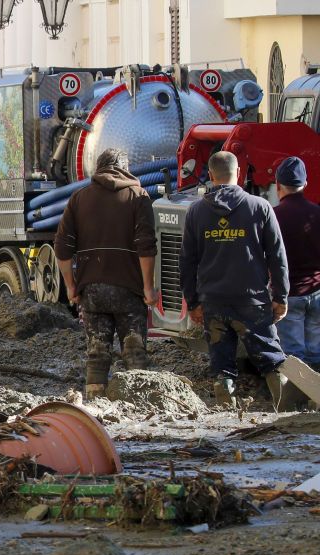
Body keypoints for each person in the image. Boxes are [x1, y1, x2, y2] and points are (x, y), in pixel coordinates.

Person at [181, 151, 290, 407]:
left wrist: (193, 301)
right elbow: (277, 255)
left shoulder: (196, 212)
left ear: (210, 175)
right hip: (251, 301)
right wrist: (280, 296)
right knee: (272, 360)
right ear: (238, 172)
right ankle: (287, 412)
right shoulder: (260, 207)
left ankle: (224, 417)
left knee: (221, 365)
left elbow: (186, 261)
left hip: (214, 302)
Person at [54, 149, 157, 400]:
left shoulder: (79, 199)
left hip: (93, 291)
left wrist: (70, 286)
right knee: (134, 351)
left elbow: (62, 247)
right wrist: (147, 287)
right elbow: (146, 246)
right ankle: (138, 404)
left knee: (97, 353)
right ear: (125, 168)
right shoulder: (139, 196)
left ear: (98, 168)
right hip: (129, 291)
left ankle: (96, 405)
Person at [273, 156, 320, 367]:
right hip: (317, 292)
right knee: (316, 354)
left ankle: (296, 399)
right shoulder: (317, 213)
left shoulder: (273, 217)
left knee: (293, 358)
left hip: (288, 296)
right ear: (305, 184)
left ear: (277, 185)